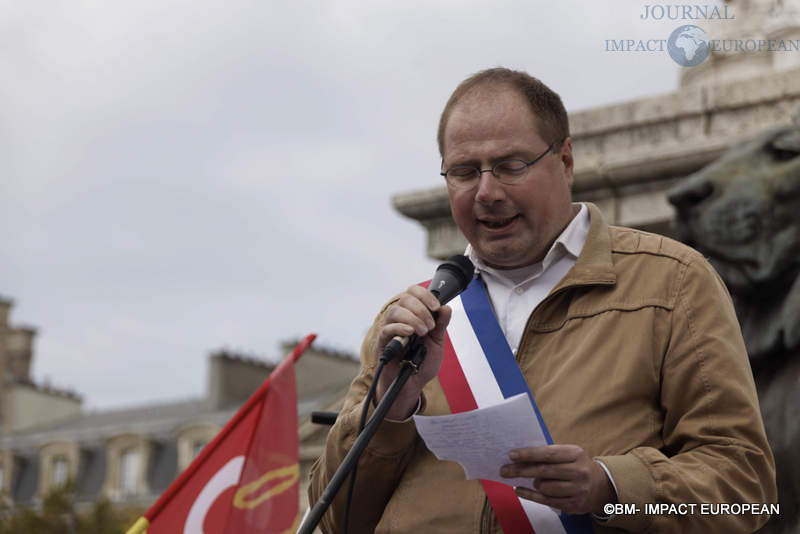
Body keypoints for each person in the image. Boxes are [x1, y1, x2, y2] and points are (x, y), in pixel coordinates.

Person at [308, 67, 777, 533]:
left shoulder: (672, 282)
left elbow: (742, 494)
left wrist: (611, 488)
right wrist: (391, 407)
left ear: (566, 161)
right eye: (464, 172)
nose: (486, 193)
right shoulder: (411, 319)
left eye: (511, 166)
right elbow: (332, 520)